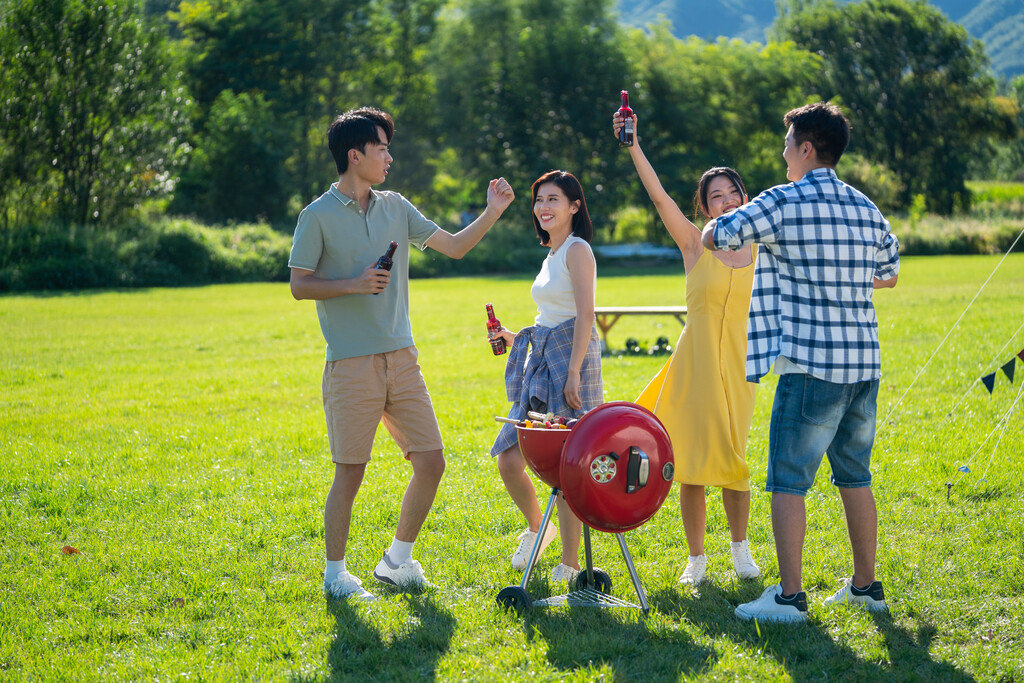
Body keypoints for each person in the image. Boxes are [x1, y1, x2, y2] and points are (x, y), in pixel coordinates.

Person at [289, 106, 515, 602]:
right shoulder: (317, 216)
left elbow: (454, 247)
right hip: (351, 362)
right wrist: (354, 284)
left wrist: (493, 211)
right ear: (355, 155)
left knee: (431, 461)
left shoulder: (396, 206)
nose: (389, 157)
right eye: (381, 148)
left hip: (402, 357)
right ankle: (335, 574)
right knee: (351, 470)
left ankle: (397, 560)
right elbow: (299, 285)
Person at [702, 101, 900, 623]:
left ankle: (790, 597)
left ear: (807, 148)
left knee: (788, 481)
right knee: (855, 475)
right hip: (864, 363)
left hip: (810, 365)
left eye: (788, 143)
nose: (783, 152)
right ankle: (866, 586)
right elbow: (889, 271)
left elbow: (717, 234)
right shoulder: (865, 206)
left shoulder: (783, 201)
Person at [613, 112, 760, 586]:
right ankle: (696, 560)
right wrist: (633, 145)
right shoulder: (695, 243)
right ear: (704, 206)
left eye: (733, 192)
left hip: (740, 366)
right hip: (694, 366)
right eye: (716, 195)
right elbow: (658, 196)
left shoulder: (762, 246)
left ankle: (740, 550)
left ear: (744, 197)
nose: (726, 200)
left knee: (736, 460)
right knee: (693, 463)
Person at [489, 170, 602, 584]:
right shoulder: (552, 254)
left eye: (553, 199)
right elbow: (550, 320)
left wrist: (573, 373)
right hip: (544, 359)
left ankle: (570, 564)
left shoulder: (577, 250)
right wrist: (513, 336)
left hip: (573, 363)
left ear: (574, 206)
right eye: (539, 200)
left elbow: (586, 315)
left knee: (567, 465)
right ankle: (540, 528)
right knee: (509, 459)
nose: (543, 207)